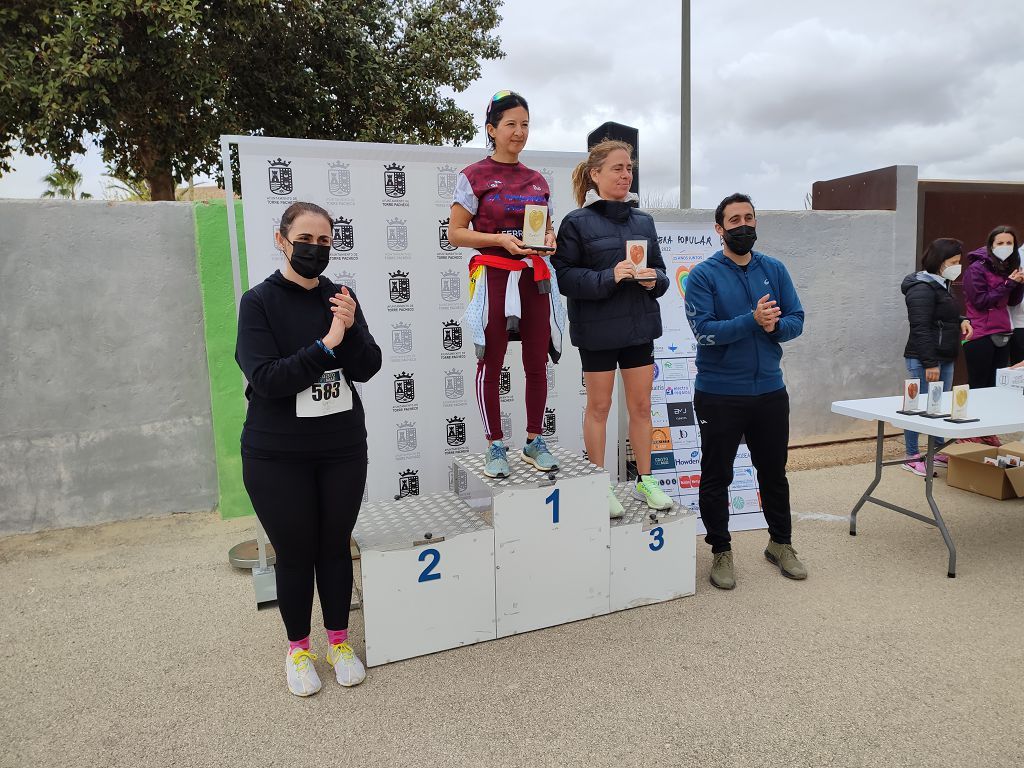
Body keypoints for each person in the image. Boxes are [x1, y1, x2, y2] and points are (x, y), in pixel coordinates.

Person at [235, 201, 382, 696]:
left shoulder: (340, 296)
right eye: (305, 239)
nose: (315, 249)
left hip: (340, 447)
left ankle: (339, 641)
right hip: (276, 454)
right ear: (282, 240)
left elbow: (367, 366)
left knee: (335, 547)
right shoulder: (258, 303)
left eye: (324, 241)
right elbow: (267, 379)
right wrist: (326, 344)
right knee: (296, 553)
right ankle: (299, 649)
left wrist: (351, 328)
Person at [684, 193, 806, 590]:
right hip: (719, 393)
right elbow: (705, 332)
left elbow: (796, 320)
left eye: (748, 218)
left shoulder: (774, 269)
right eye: (733, 220)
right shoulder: (703, 275)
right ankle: (721, 551)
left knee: (774, 473)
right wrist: (753, 321)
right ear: (719, 229)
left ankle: (780, 544)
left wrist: (775, 327)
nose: (743, 226)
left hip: (770, 391)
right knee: (716, 475)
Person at [552, 140, 672, 517]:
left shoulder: (644, 221)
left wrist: (655, 280)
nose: (625, 174)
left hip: (639, 329)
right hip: (598, 332)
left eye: (629, 168)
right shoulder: (575, 222)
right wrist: (610, 276)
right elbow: (567, 278)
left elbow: (663, 273)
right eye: (617, 168)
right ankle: (598, 483)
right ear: (596, 174)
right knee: (600, 407)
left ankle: (646, 480)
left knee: (640, 406)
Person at [449, 90, 565, 478]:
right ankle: (495, 445)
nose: (519, 132)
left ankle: (534, 440)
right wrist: (498, 239)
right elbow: (456, 234)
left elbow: (545, 228)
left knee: (536, 360)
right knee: (491, 360)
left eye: (525, 124)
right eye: (511, 124)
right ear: (492, 129)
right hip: (494, 276)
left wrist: (549, 241)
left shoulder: (537, 181)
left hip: (533, 276)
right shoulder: (473, 176)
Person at [900, 238, 973, 476]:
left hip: (945, 355)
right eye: (953, 262)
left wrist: (962, 320)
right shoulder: (921, 287)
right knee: (917, 406)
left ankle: (937, 450)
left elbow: (944, 314)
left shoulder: (943, 284)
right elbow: (920, 326)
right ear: (939, 262)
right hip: (926, 359)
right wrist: (930, 363)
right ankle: (911, 455)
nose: (957, 266)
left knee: (937, 406)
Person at [962, 226, 1024, 387]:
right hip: (980, 334)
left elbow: (1012, 302)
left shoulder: (1007, 267)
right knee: (978, 385)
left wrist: (1019, 284)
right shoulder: (976, 269)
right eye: (1000, 243)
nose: (1005, 246)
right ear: (991, 245)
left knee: (996, 386)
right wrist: (1009, 284)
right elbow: (980, 301)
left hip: (1002, 331)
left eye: (1009, 243)